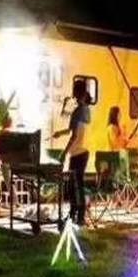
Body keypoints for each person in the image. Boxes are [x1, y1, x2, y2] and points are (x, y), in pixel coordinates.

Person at [53, 81, 91, 225]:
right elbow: (72, 130)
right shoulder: (86, 110)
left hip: (77, 152)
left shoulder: (78, 110)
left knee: (74, 186)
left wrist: (64, 153)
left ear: (77, 93)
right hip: (83, 151)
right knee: (77, 185)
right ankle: (76, 214)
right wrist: (59, 133)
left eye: (74, 93)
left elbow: (74, 135)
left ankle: (77, 215)